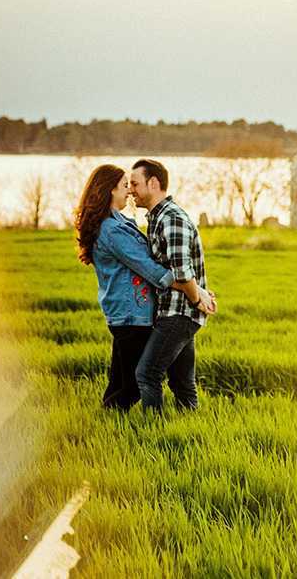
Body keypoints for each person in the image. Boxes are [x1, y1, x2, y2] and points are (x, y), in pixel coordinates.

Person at [75, 164, 177, 410]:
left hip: (124, 315)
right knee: (135, 385)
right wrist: (188, 285)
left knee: (118, 382)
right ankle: (103, 421)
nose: (130, 192)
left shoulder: (117, 222)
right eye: (124, 186)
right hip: (131, 317)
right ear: (110, 190)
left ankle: (105, 429)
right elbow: (147, 268)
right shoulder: (112, 230)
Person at [129, 158, 216, 411]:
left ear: (153, 183)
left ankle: (154, 435)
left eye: (135, 183)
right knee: (181, 383)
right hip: (176, 310)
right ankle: (189, 432)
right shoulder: (157, 217)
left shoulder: (172, 218)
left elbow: (181, 270)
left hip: (179, 312)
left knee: (147, 374)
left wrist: (198, 300)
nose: (131, 189)